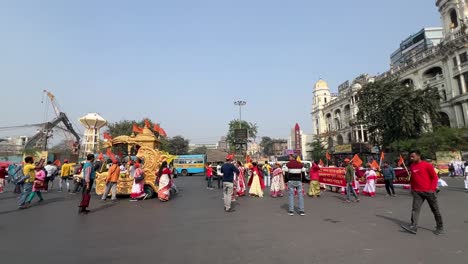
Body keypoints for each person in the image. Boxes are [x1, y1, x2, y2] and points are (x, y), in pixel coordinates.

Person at [401, 150, 444, 235]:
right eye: (410, 157)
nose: (411, 158)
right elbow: (413, 178)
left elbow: (434, 178)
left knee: (435, 210)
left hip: (429, 192)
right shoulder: (412, 166)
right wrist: (412, 189)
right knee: (415, 209)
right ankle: (414, 227)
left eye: (413, 156)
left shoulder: (427, 165)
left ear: (418, 156)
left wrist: (431, 189)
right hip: (417, 192)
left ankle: (440, 227)